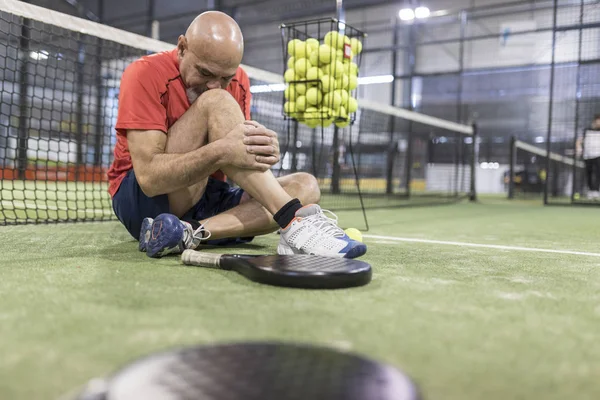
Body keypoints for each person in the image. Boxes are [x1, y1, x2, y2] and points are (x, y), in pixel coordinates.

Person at [107, 11, 366, 259]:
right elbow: (150, 180)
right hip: (144, 201)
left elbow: (236, 160)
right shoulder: (145, 73)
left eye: (225, 77)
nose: (214, 84)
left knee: (306, 186)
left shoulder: (240, 79)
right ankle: (293, 219)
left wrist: (261, 150)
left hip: (206, 194)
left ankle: (188, 232)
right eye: (205, 72)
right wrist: (223, 149)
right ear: (182, 48)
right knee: (216, 101)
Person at [577, 114, 600, 199]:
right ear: (595, 120)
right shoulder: (586, 130)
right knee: (589, 173)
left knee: (598, 173)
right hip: (588, 155)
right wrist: (578, 148)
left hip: (598, 155)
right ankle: (590, 191)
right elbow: (579, 141)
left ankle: (596, 191)